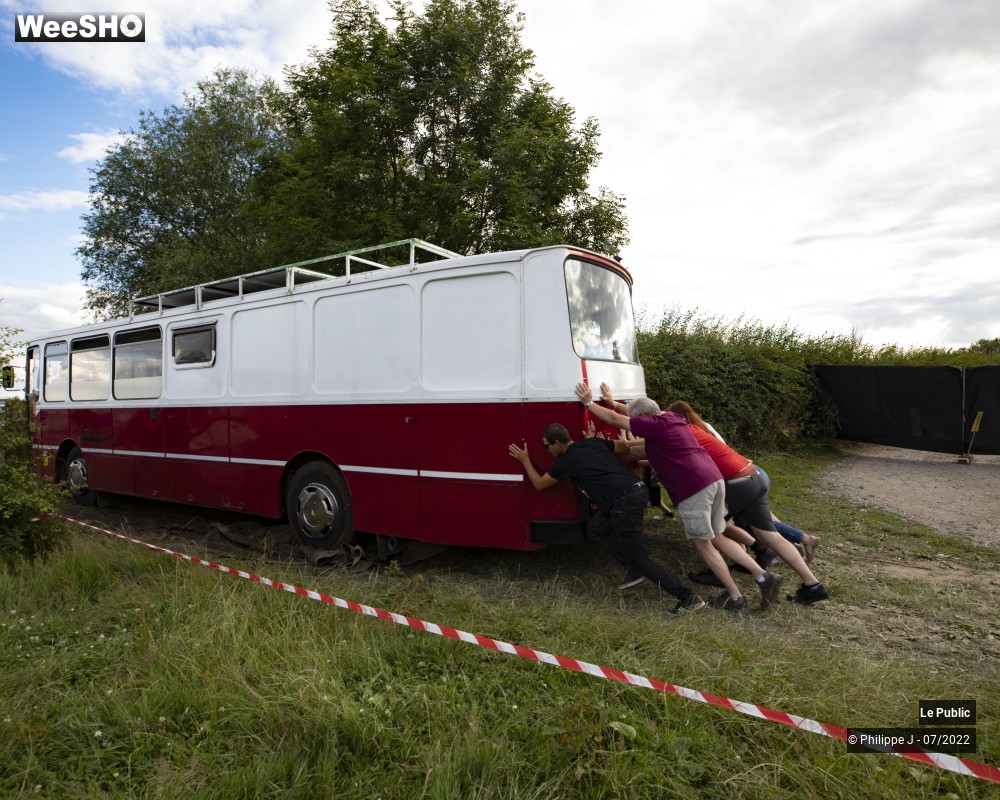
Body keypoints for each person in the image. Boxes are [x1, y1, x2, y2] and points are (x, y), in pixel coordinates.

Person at [576, 382, 784, 612]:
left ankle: (736, 597)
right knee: (717, 536)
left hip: (693, 488)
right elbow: (632, 448)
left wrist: (588, 403)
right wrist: (602, 433)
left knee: (703, 544)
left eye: (639, 424)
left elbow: (617, 421)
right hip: (713, 481)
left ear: (645, 418)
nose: (638, 429)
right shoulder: (671, 421)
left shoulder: (655, 425)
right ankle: (763, 577)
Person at [507, 423, 706, 616]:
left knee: (640, 558)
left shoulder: (566, 461)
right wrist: (601, 444)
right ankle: (634, 569)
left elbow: (540, 484)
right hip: (635, 490)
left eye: (547, 446)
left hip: (623, 501)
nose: (546, 450)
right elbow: (624, 447)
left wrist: (525, 460)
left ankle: (688, 597)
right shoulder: (592, 443)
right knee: (597, 527)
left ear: (558, 442)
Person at [663, 400, 830, 605]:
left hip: (737, 482)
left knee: (710, 532)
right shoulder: (703, 428)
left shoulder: (682, 433)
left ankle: (727, 577)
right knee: (769, 534)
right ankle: (812, 585)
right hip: (755, 473)